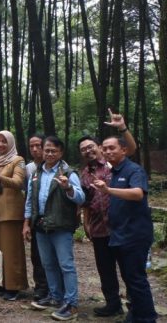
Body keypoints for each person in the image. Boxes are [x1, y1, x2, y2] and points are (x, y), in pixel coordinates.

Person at [77, 110, 135, 317]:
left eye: (90, 146)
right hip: (99, 228)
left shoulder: (115, 164)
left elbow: (132, 148)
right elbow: (86, 201)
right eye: (83, 150)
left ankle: (135, 305)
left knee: (128, 269)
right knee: (105, 269)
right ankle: (112, 304)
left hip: (121, 227)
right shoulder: (85, 174)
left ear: (99, 147)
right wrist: (86, 224)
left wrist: (122, 128)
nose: (88, 151)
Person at [92, 136, 157, 323]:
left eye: (112, 148)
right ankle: (136, 314)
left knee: (136, 279)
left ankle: (146, 318)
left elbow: (137, 193)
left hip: (135, 234)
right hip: (119, 234)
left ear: (124, 150)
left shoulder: (133, 170)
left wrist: (108, 190)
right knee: (129, 278)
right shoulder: (114, 172)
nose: (108, 152)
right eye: (105, 149)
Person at [24, 136, 85, 321]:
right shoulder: (36, 173)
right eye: (47, 150)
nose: (49, 154)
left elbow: (81, 198)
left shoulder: (68, 173)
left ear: (61, 153)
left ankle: (71, 304)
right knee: (48, 264)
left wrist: (68, 188)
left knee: (66, 265)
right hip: (41, 225)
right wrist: (27, 223)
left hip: (61, 226)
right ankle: (55, 296)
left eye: (53, 151)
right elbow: (29, 200)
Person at [0, 130, 27, 301]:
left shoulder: (18, 160)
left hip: (11, 214)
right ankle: (0, 282)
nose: (0, 144)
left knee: (11, 251)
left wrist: (0, 177)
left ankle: (14, 286)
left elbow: (18, 182)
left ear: (10, 143)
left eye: (4, 141)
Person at [23, 133, 49, 301]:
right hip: (34, 217)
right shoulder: (29, 168)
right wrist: (26, 221)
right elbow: (27, 195)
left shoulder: (60, 167)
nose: (34, 149)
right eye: (31, 146)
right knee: (36, 255)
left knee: (53, 256)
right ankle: (40, 287)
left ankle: (55, 289)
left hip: (53, 219)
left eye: (38, 145)